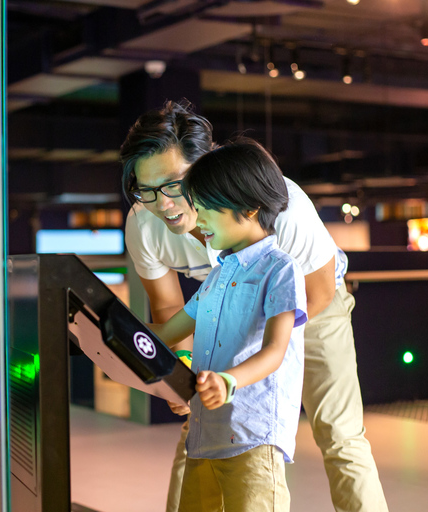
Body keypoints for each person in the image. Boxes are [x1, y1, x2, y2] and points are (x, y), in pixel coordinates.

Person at [121, 100, 388, 512]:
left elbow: (315, 292)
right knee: (199, 429)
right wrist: (182, 370)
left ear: (205, 165)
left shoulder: (279, 203)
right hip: (223, 307)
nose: (164, 205)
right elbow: (169, 309)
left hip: (313, 308)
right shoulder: (145, 224)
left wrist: (249, 364)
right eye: (147, 190)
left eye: (174, 185)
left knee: (339, 434)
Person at [149, 139, 306, 512]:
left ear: (249, 207)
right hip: (205, 437)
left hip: (253, 438)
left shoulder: (281, 269)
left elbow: (275, 351)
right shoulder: (217, 277)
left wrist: (228, 380)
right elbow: (165, 334)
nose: (197, 220)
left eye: (204, 209)